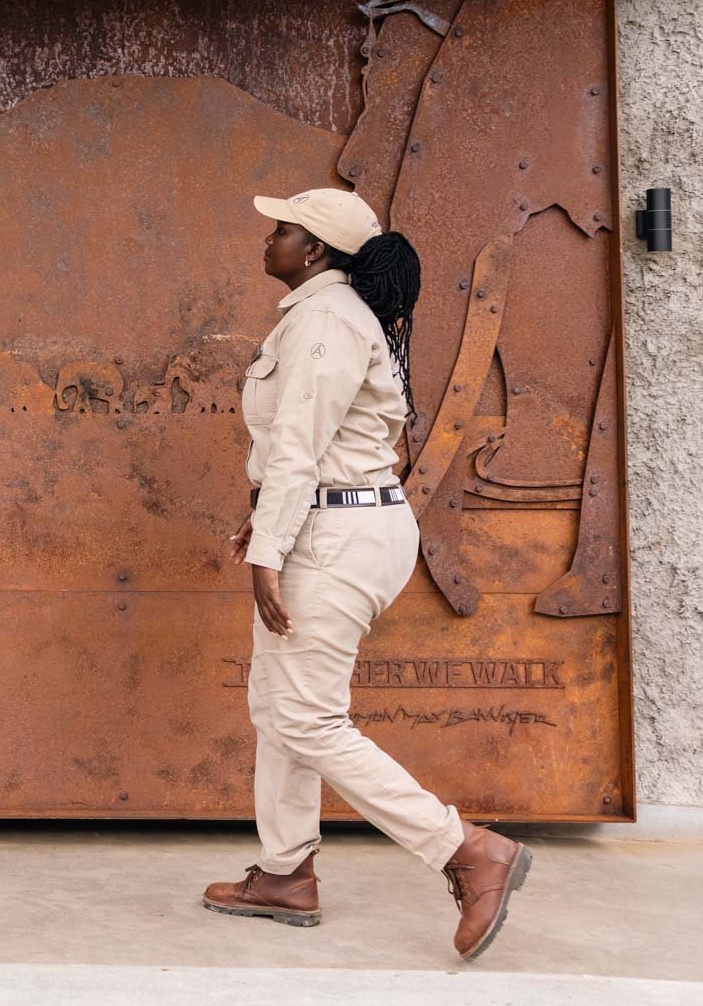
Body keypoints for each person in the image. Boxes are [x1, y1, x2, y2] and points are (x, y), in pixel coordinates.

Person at [200, 188, 532, 962]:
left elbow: (297, 445)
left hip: (336, 533)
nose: (269, 238)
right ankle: (285, 873)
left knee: (307, 716)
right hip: (342, 517)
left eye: (281, 229)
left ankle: (467, 848)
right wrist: (273, 523)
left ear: (315, 250)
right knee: (279, 703)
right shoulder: (333, 316)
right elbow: (319, 448)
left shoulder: (323, 321)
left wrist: (267, 552)